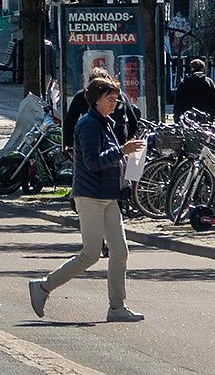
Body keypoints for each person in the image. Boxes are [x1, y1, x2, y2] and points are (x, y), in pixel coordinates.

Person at [30, 76, 145, 323]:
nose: (115, 102)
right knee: (91, 254)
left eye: (116, 97)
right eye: (109, 98)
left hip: (107, 196)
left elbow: (107, 159)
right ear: (96, 101)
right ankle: (43, 286)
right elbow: (93, 162)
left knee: (120, 251)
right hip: (91, 196)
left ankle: (117, 307)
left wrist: (126, 161)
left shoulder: (104, 122)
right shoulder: (89, 125)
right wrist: (122, 151)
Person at [172, 58, 215, 125]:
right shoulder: (208, 82)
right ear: (202, 68)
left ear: (191, 68)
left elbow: (178, 101)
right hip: (206, 117)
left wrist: (177, 118)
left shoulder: (185, 82)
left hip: (188, 118)